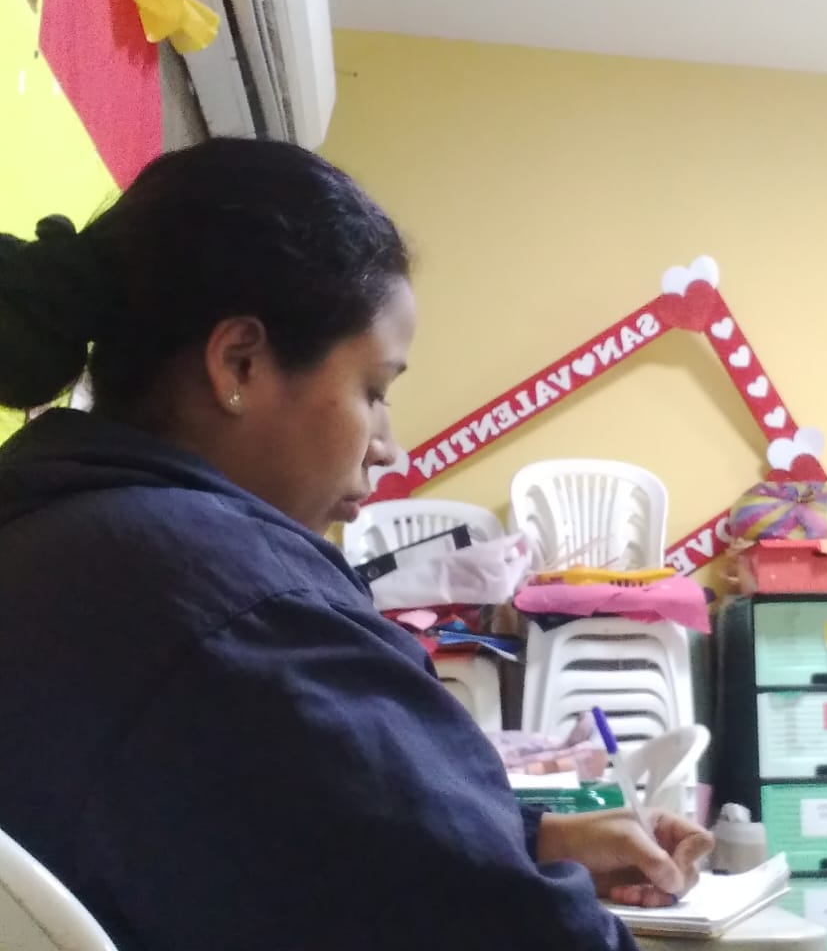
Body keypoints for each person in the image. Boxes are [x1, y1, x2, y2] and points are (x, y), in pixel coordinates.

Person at [0, 137, 712, 950]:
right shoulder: (241, 610)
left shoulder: (59, 531)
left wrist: (532, 840)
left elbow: (272, 831)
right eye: (373, 389)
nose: (388, 447)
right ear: (240, 363)